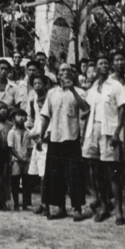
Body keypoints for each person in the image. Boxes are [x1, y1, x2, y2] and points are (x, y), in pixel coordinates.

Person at [37, 65, 89, 221]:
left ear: (73, 75)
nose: (65, 74)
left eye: (69, 71)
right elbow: (46, 116)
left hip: (72, 138)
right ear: (58, 76)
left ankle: (77, 209)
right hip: (55, 138)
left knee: (74, 175)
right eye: (62, 72)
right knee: (55, 175)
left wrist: (72, 89)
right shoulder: (52, 93)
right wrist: (41, 136)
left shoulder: (79, 92)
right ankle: (60, 208)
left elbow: (85, 108)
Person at [83, 55, 125, 226]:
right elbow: (89, 110)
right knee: (96, 172)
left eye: (104, 63)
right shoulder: (94, 87)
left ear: (108, 67)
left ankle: (119, 210)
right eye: (99, 63)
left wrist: (117, 132)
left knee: (112, 173)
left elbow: (123, 108)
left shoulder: (115, 85)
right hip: (93, 130)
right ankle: (104, 205)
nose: (102, 66)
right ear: (95, 68)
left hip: (109, 131)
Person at [27, 73, 50, 214]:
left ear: (45, 84)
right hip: (37, 139)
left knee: (45, 175)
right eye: (35, 83)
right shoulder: (33, 99)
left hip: (47, 138)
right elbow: (36, 120)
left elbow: (50, 120)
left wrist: (44, 135)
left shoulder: (50, 98)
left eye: (40, 83)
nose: (37, 86)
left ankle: (46, 205)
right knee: (39, 173)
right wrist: (33, 133)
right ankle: (43, 203)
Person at [8, 106, 33, 210]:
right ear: (14, 118)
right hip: (15, 160)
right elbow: (11, 147)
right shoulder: (12, 132)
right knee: (15, 182)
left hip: (26, 160)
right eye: (19, 116)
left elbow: (31, 146)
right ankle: (16, 204)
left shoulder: (28, 132)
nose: (22, 118)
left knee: (26, 182)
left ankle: (25, 204)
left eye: (24, 116)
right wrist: (19, 158)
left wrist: (26, 157)